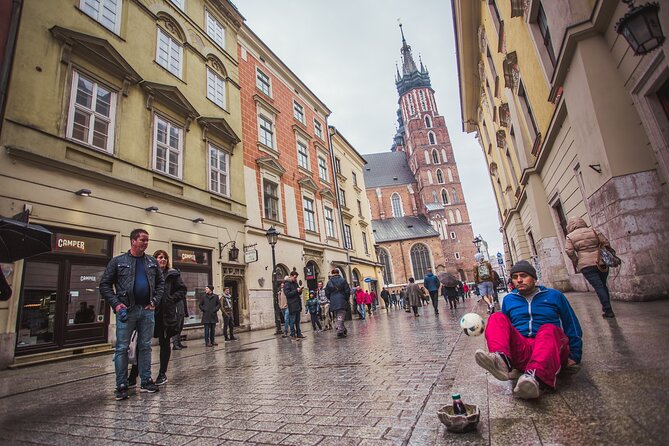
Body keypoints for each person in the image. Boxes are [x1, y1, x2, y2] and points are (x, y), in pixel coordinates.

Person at [474, 260, 583, 399]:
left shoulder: (554, 296)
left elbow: (571, 323)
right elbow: (506, 328)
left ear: (534, 278)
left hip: (550, 349)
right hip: (523, 349)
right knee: (496, 317)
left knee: (549, 329)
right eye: (515, 277)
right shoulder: (509, 299)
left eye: (523, 275)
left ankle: (535, 379)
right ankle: (501, 360)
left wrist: (575, 355)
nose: (519, 280)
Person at [100, 228, 165, 400]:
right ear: (133, 241)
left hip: (146, 310)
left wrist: (154, 301)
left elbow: (160, 284)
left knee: (145, 346)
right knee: (122, 348)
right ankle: (121, 384)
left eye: (147, 240)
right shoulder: (118, 261)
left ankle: (146, 380)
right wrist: (116, 304)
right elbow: (105, 285)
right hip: (126, 310)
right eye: (143, 239)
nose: (146, 242)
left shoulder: (152, 262)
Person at [130, 249, 187, 387]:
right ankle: (133, 375)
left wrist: (170, 299)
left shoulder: (172, 274)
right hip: (148, 312)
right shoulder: (149, 273)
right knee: (141, 344)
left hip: (165, 314)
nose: (162, 260)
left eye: (165, 258)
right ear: (154, 259)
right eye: (159, 257)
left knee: (165, 343)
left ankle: (162, 373)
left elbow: (182, 290)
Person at [565, 216, 616, 318]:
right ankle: (607, 308)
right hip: (601, 262)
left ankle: (608, 309)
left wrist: (576, 261)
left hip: (586, 265)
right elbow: (606, 243)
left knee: (598, 286)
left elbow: (569, 251)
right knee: (602, 284)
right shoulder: (593, 231)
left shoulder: (570, 236)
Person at [324, 268, 351, 338]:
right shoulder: (343, 280)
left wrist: (331, 298)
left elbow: (326, 293)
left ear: (332, 274)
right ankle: (340, 331)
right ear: (338, 273)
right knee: (340, 316)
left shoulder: (329, 282)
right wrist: (346, 298)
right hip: (342, 300)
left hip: (333, 301)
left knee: (337, 316)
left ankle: (343, 329)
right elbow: (347, 291)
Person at [284, 271, 305, 339]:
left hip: (297, 304)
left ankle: (299, 333)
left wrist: (300, 291)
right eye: (295, 277)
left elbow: (298, 293)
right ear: (291, 276)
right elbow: (287, 294)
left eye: (296, 277)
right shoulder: (287, 284)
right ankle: (292, 334)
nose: (296, 278)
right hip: (292, 305)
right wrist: (296, 290)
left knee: (297, 321)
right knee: (292, 320)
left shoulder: (295, 283)